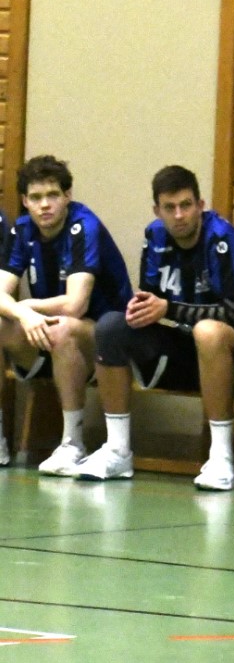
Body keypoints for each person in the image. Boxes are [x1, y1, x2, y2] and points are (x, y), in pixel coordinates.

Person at [78, 166, 234, 489]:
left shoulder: (221, 238)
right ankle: (118, 449)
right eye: (170, 207)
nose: (179, 215)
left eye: (186, 205)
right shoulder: (155, 236)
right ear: (157, 211)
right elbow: (151, 299)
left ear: (200, 205)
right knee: (110, 326)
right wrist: (141, 309)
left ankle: (221, 458)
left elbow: (231, 312)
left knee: (208, 331)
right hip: (184, 345)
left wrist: (169, 309)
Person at [0, 156, 133, 473]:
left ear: (68, 196)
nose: (44, 205)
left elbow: (76, 305)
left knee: (62, 326)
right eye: (36, 198)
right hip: (50, 333)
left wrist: (28, 307)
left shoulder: (83, 226)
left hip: (105, 337)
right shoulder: (23, 230)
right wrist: (24, 315)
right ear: (25, 201)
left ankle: (72, 443)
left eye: (52, 195)